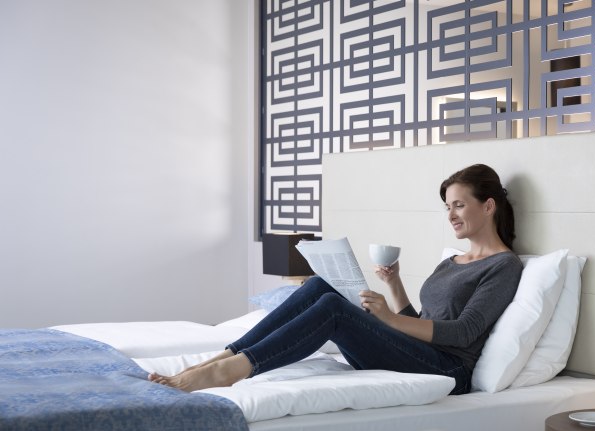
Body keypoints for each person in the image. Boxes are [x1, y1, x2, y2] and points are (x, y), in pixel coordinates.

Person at [149, 164, 523, 394]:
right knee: (320, 286)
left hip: (449, 371)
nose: (451, 215)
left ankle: (228, 371)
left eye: (459, 205)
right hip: (418, 353)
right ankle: (224, 356)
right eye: (448, 207)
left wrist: (389, 319)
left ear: (488, 206)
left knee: (333, 309)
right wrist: (393, 288)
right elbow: (425, 320)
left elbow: (462, 332)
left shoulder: (503, 266)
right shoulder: (453, 260)